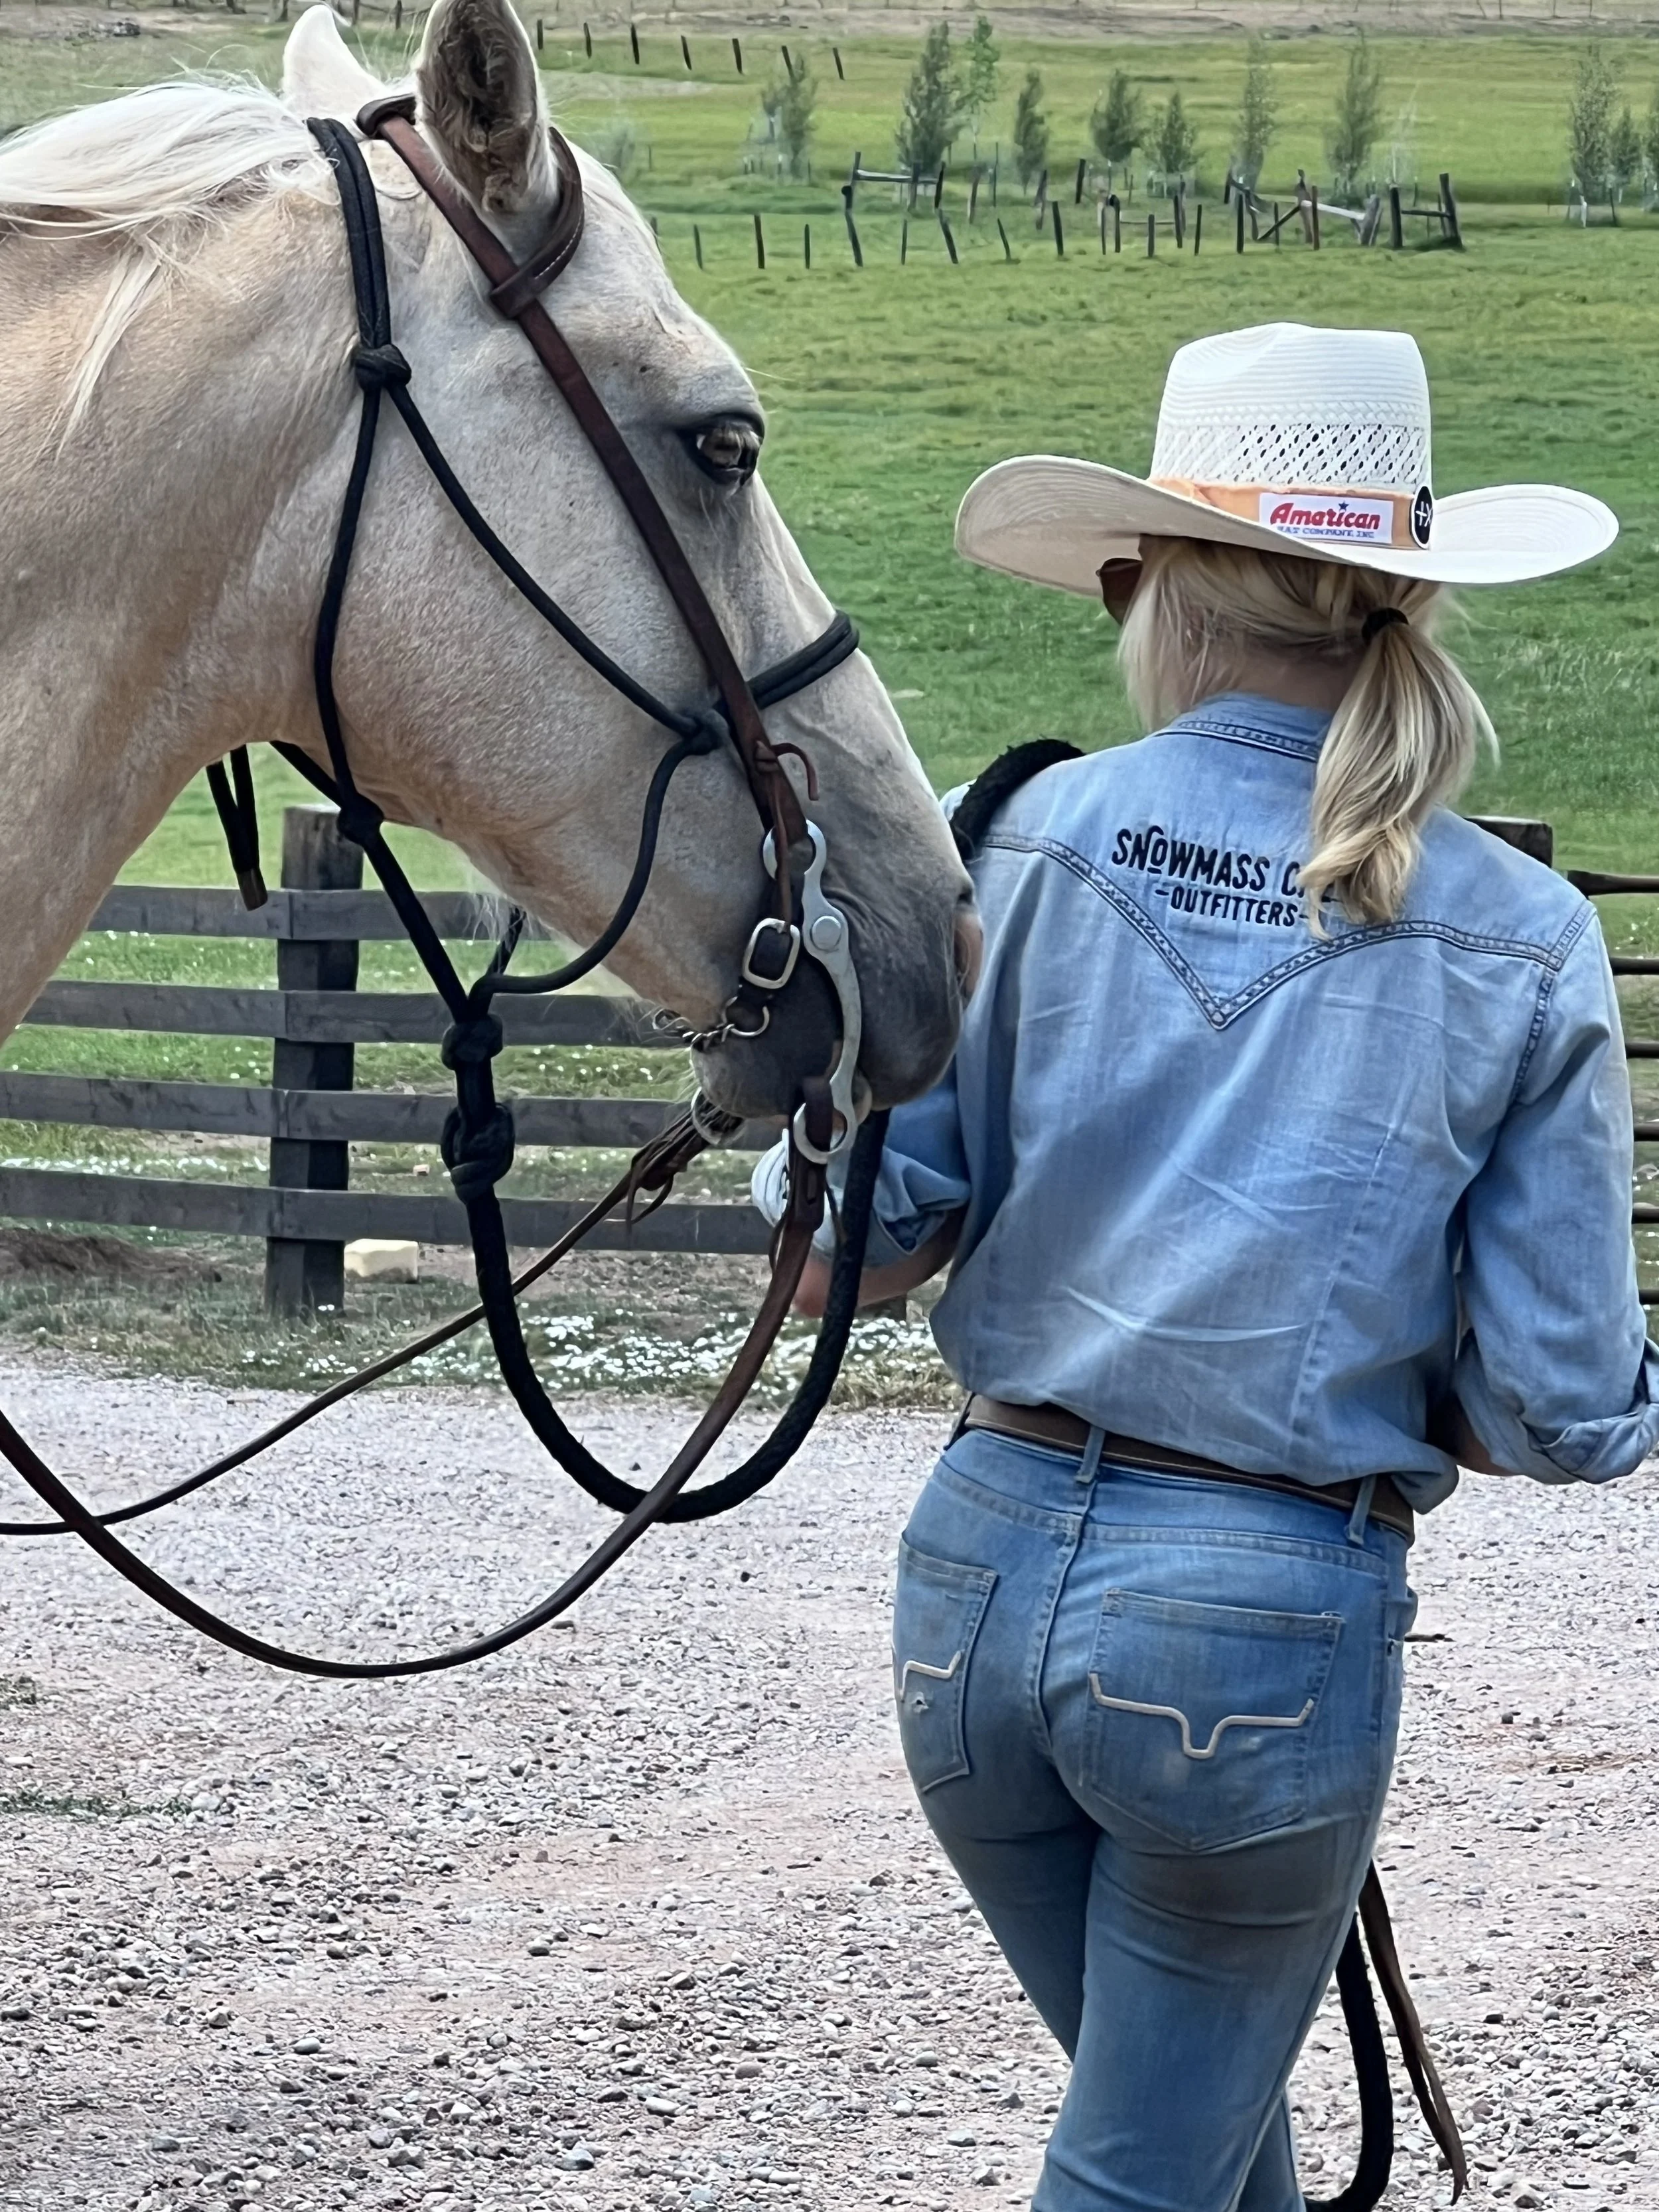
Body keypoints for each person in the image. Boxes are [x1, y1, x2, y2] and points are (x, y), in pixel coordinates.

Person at [756, 323, 1656, 2211]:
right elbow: (1567, 1408)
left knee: (1191, 2152)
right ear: (1402, 590)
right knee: (1152, 2171)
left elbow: (872, 1218)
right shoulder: (1517, 934)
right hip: (1253, 1634)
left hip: (974, 1587)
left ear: (1149, 581)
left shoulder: (1017, 837)